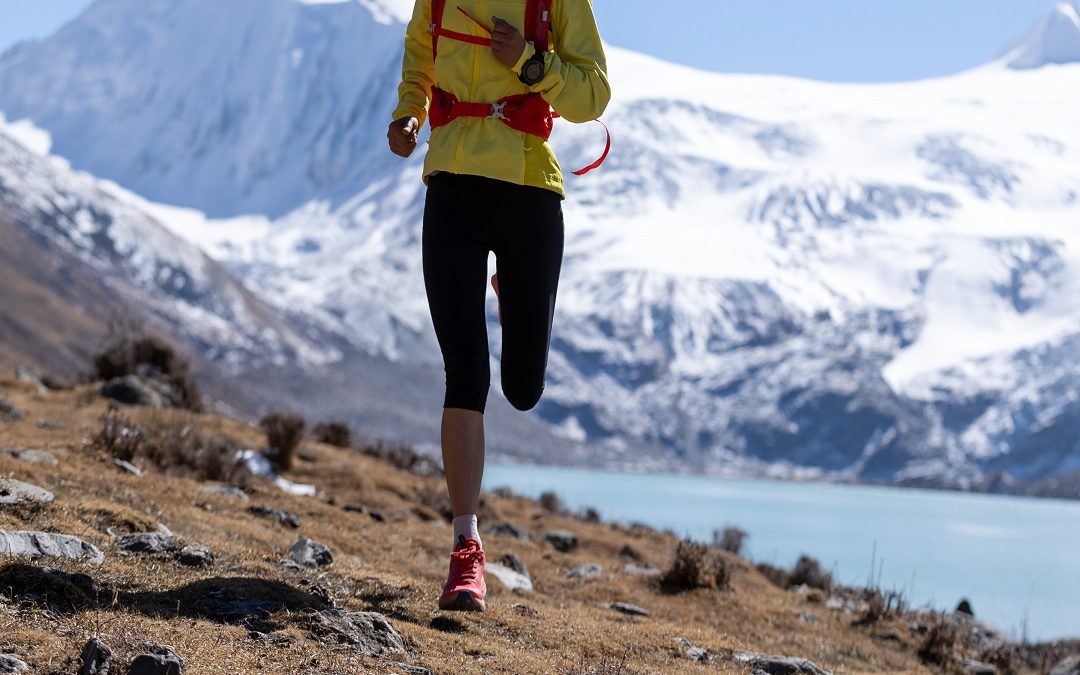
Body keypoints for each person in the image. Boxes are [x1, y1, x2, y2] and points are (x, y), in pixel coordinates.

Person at [387, 0, 610, 611]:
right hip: (452, 187)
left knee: (523, 388)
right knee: (466, 372)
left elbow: (593, 95)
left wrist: (533, 65)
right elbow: (419, 62)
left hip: (529, 192)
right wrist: (408, 115)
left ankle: (513, 291)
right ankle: (466, 549)